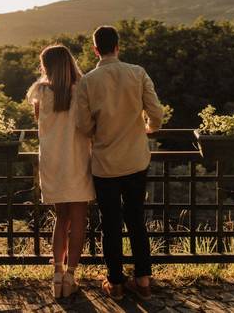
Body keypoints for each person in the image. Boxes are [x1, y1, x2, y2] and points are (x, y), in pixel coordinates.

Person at [75, 25, 163, 301]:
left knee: (110, 223)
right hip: (136, 160)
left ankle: (115, 284)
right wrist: (148, 128)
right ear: (118, 46)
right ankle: (144, 281)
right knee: (136, 220)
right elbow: (156, 112)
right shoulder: (137, 73)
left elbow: (82, 125)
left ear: (95, 49)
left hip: (105, 165)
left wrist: (99, 131)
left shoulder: (88, 81)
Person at [27, 44, 96, 299]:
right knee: (79, 220)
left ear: (46, 67)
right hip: (78, 161)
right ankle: (70, 276)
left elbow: (39, 122)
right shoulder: (82, 91)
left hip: (52, 162)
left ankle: (56, 274)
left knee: (61, 219)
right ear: (69, 63)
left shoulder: (40, 93)